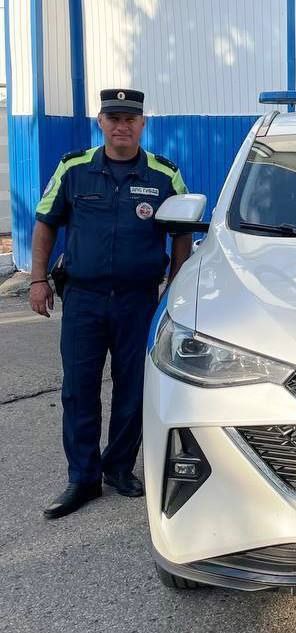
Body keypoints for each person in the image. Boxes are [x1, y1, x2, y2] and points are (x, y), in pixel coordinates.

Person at [29, 89, 193, 519]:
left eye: (130, 119)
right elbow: (46, 223)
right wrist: (37, 280)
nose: (122, 126)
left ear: (143, 124)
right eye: (114, 118)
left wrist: (174, 286)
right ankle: (83, 479)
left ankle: (119, 468)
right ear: (100, 122)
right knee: (78, 389)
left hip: (138, 302)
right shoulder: (73, 168)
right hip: (83, 300)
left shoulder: (165, 175)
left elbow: (183, 233)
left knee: (132, 389)